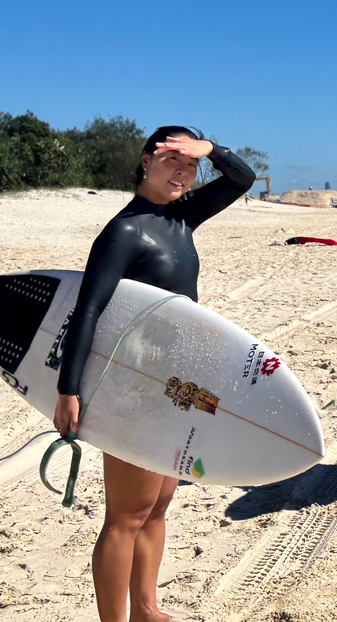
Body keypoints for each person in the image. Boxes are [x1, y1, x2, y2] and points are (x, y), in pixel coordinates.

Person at [53, 127, 255, 621]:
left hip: (173, 386)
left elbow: (242, 177)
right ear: (145, 161)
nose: (182, 172)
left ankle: (146, 610)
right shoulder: (124, 232)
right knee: (126, 516)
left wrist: (211, 150)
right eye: (171, 160)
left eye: (190, 164)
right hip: (134, 389)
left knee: (159, 507)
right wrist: (67, 389)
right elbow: (87, 312)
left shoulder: (182, 217)